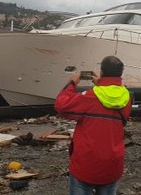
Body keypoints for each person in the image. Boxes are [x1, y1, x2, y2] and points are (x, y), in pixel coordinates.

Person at [54, 56, 132, 195]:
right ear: (120, 73)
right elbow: (111, 96)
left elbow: (61, 106)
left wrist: (72, 83)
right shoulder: (126, 98)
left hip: (86, 165)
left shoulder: (90, 98)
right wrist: (102, 85)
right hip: (111, 166)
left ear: (101, 72)